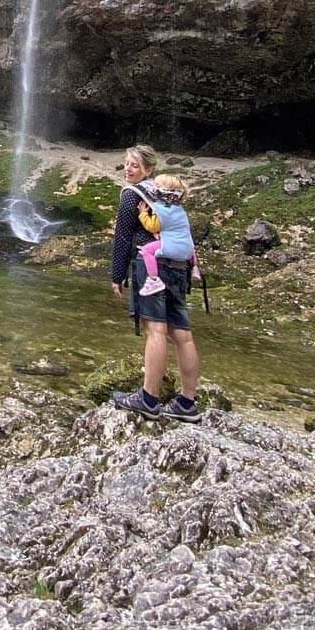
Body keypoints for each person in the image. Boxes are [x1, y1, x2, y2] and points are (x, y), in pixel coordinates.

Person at [110, 146, 202, 423]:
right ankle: (188, 401)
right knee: (182, 334)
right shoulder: (168, 194)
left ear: (148, 170)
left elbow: (124, 238)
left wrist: (117, 275)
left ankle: (149, 398)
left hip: (151, 267)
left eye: (134, 166)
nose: (128, 169)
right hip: (178, 267)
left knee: (156, 331)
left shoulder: (132, 196)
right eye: (126, 164)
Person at [136, 174, 201, 296]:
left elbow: (152, 226)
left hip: (172, 247)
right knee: (188, 244)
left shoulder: (162, 210)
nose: (153, 187)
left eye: (157, 185)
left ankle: (153, 280)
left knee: (146, 251)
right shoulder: (178, 208)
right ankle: (195, 268)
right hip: (187, 250)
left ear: (164, 190)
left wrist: (143, 214)